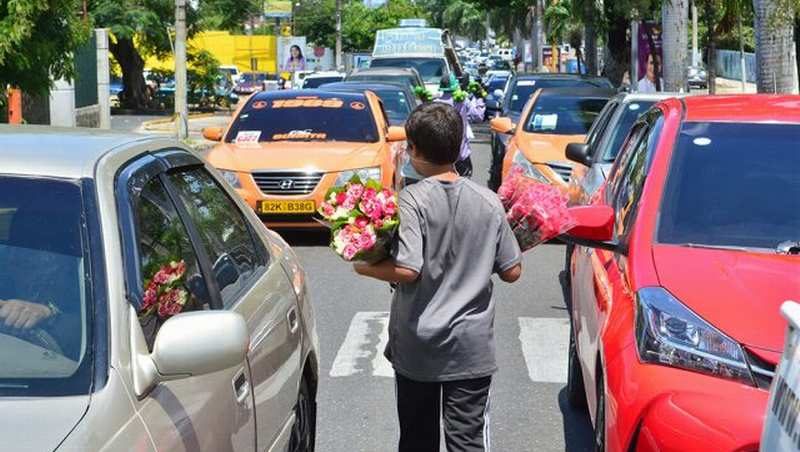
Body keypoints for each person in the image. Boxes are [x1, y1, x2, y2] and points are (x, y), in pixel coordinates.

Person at [354, 102, 523, 452]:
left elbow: (409, 268)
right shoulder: (489, 201)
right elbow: (512, 271)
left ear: (413, 149)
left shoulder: (412, 200)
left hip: (418, 345)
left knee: (417, 440)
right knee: (467, 441)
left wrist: (363, 265)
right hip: (470, 348)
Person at [434, 73, 485, 178]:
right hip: (461, 156)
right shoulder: (462, 101)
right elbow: (478, 117)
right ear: (455, 86)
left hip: (440, 159)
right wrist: (479, 98)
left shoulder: (435, 104)